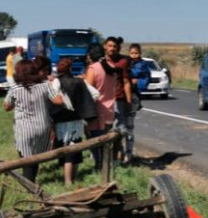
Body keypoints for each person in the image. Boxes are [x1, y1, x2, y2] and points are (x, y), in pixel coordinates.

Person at [3, 60, 63, 182]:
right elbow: (59, 101)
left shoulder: (15, 88)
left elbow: (7, 107)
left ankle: (29, 186)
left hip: (24, 129)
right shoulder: (45, 85)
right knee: (35, 156)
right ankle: (31, 181)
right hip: (42, 127)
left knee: (26, 159)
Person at [51, 58, 98, 186]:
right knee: (76, 148)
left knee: (66, 150)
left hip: (62, 119)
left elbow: (52, 96)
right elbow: (95, 94)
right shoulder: (79, 81)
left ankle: (67, 181)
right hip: (77, 119)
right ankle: (73, 178)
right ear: (70, 69)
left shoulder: (57, 81)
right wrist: (82, 104)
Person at [84, 39, 119, 169]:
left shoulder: (93, 69)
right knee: (106, 140)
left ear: (90, 55)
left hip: (97, 109)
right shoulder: (111, 67)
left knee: (93, 139)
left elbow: (88, 90)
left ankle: (99, 164)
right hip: (110, 108)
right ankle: (107, 164)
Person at [121, 43, 150, 164]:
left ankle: (129, 153)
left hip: (134, 96)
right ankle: (120, 152)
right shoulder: (126, 63)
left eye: (136, 53)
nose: (134, 56)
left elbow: (143, 80)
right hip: (122, 97)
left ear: (140, 53)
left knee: (129, 126)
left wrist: (135, 82)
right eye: (132, 53)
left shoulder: (142, 65)